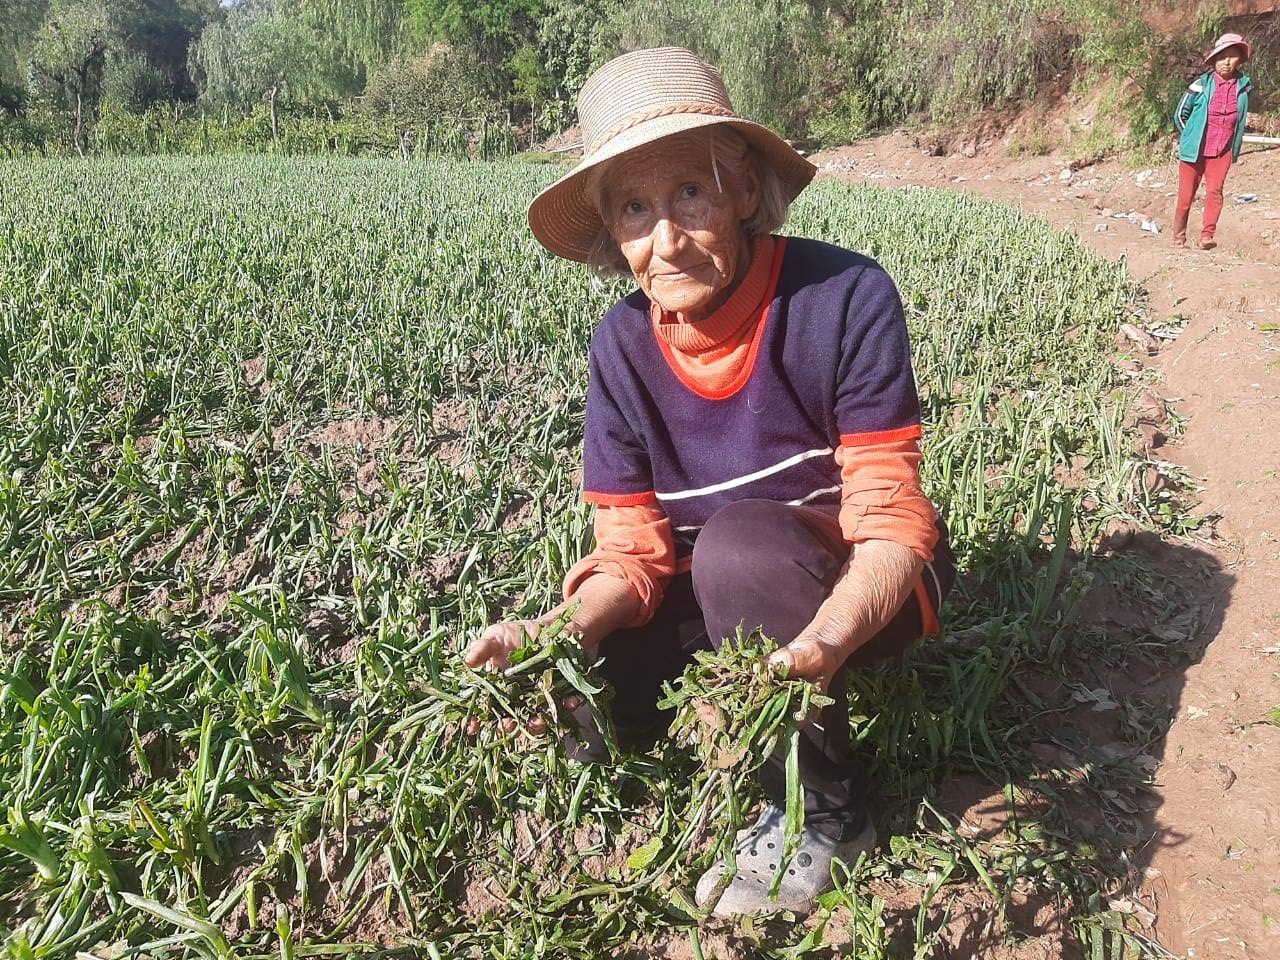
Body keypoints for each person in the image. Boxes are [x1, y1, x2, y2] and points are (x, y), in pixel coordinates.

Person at [463, 46, 955, 917]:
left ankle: (826, 808)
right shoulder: (621, 346)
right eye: (635, 209)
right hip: (719, 591)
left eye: (690, 192)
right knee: (588, 681)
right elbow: (633, 555)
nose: (667, 240)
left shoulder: (843, 296)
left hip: (848, 581)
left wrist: (828, 642)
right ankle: (691, 707)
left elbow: (888, 521)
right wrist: (550, 635)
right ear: (613, 235)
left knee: (736, 549)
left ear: (741, 187)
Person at [1173, 32, 1253, 250]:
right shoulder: (1200, 85)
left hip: (1222, 151)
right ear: (1213, 61)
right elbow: (1180, 114)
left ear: (1240, 60)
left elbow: (1240, 119)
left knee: (1215, 192)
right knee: (1186, 197)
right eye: (1221, 57)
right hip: (1194, 151)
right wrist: (1189, 136)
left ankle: (1207, 236)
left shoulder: (1243, 88)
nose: (1226, 62)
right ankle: (1178, 237)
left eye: (1232, 56)